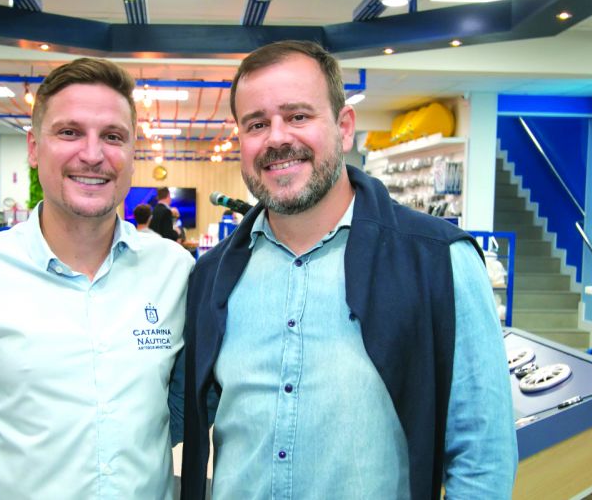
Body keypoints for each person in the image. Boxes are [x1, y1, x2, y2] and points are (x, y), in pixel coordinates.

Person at [180, 41, 517, 499]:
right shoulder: (212, 276)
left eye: (298, 116)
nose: (277, 138)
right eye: (256, 124)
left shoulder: (439, 262)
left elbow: (482, 456)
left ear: (344, 128)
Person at [0, 57, 194, 499]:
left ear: (131, 153)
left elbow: (174, 413)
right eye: (69, 132)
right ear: (33, 147)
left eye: (113, 136)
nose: (92, 154)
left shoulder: (174, 272)